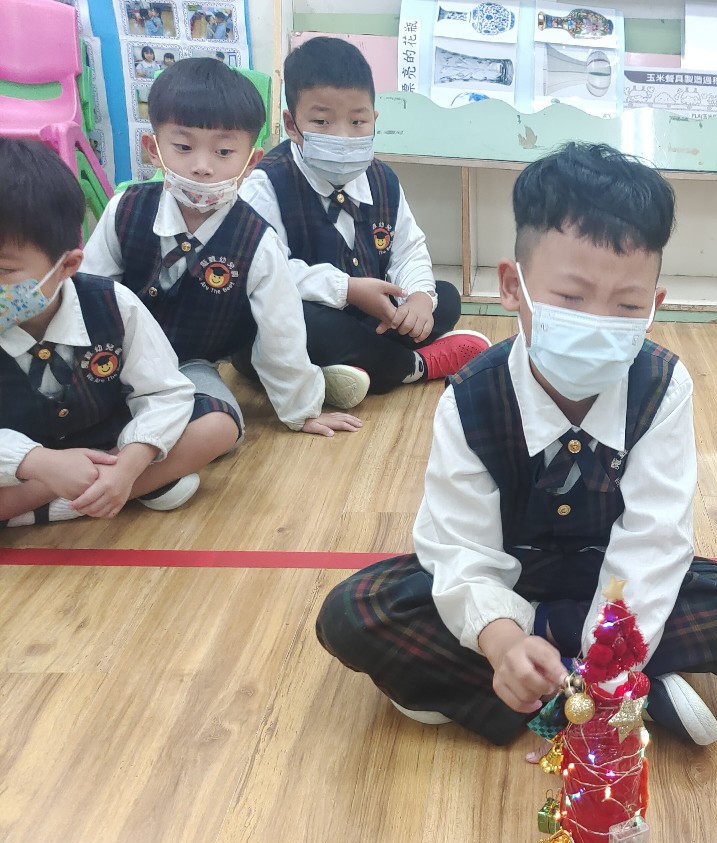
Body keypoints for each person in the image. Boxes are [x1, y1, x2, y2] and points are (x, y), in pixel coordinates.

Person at [315, 142, 717, 747]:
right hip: (511, 580)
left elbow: (654, 539)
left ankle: (558, 686)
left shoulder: (662, 386)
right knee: (354, 614)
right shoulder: (472, 397)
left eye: (628, 305)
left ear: (654, 307)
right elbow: (460, 549)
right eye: (570, 298)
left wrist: (612, 653)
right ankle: (626, 691)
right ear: (514, 286)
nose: (599, 322)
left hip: (609, 585)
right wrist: (503, 639)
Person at [83, 58, 364, 448]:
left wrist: (303, 409)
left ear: (251, 162)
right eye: (183, 147)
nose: (202, 167)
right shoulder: (125, 211)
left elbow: (280, 333)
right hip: (113, 358)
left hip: (187, 368)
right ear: (153, 149)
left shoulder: (257, 240)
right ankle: (123, 458)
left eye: (224, 151)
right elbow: (90, 296)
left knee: (223, 425)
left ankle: (135, 467)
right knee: (66, 410)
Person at [0, 138, 235, 527]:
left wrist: (129, 464)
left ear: (67, 265)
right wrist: (35, 461)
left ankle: (90, 494)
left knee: (217, 425)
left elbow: (164, 392)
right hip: (17, 468)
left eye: (4, 271)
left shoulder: (113, 302)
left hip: (110, 443)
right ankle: (110, 494)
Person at [241, 36, 488, 397]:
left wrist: (419, 298)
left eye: (358, 121)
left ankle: (350, 369)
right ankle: (416, 366)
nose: (343, 136)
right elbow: (265, 274)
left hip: (364, 319)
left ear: (374, 119)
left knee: (445, 298)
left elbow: (408, 248)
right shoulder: (266, 184)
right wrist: (348, 290)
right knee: (311, 325)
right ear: (292, 125)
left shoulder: (382, 177)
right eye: (322, 121)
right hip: (298, 324)